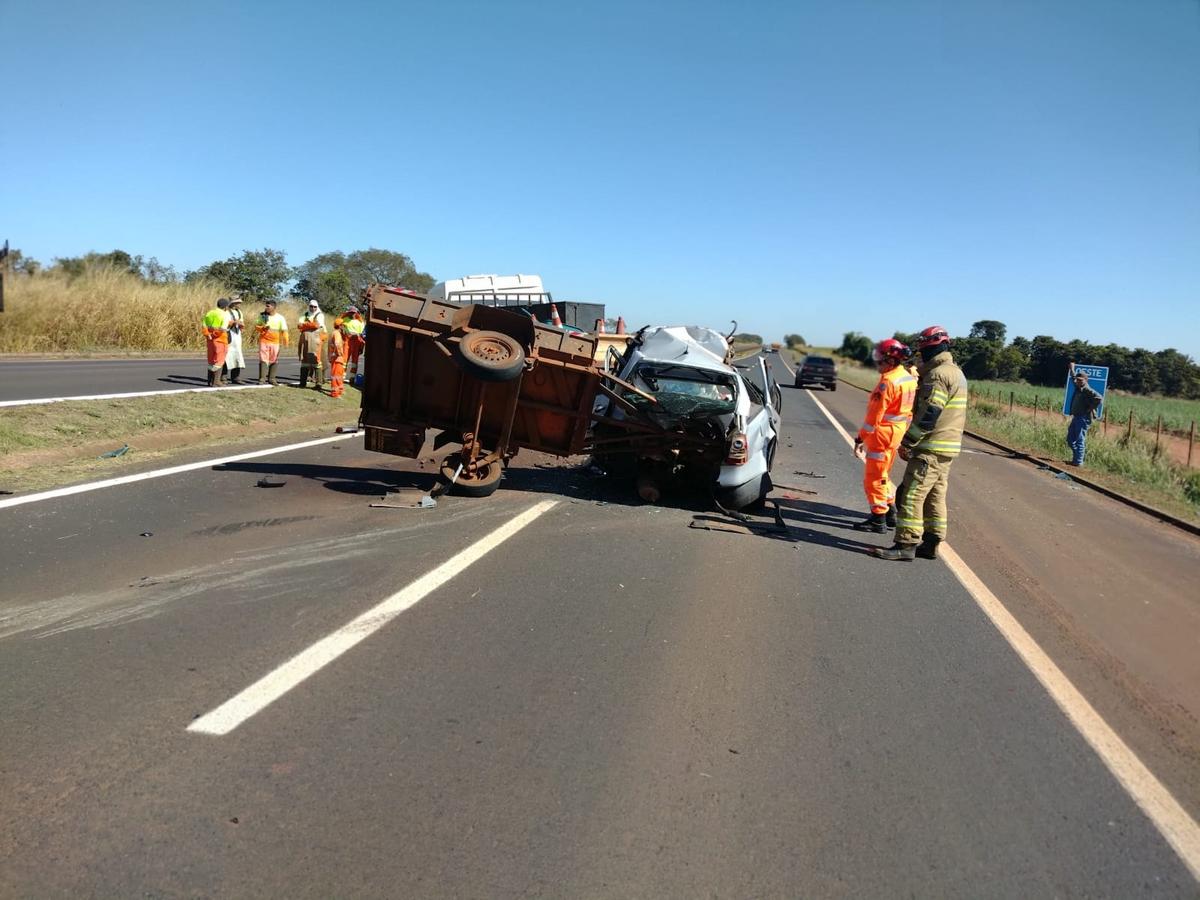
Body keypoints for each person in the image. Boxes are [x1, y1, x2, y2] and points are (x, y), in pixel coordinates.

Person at [875, 325, 968, 561]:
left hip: (931, 447)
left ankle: (905, 544)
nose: (920, 355)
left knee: (910, 494)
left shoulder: (937, 375)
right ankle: (932, 541)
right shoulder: (956, 372)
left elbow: (929, 414)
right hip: (946, 447)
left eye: (922, 350)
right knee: (935, 495)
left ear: (930, 348)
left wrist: (908, 441)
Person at [853, 339, 918, 533]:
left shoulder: (888, 382)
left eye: (879, 361)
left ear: (890, 361)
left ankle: (878, 518)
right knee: (883, 476)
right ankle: (890, 513)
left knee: (873, 478)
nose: (877, 365)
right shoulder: (907, 378)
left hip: (882, 435)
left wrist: (860, 438)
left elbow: (873, 417)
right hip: (895, 434)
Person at [1066, 366, 1103, 466]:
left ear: (1086, 380)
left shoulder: (1086, 389)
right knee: (1070, 439)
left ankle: (1078, 461)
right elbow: (1073, 377)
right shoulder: (1078, 387)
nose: (1078, 381)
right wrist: (1072, 368)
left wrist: (1090, 408)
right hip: (1076, 417)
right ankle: (1076, 458)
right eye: (1078, 380)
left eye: (1081, 380)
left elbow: (1099, 398)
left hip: (1083, 418)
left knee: (1080, 439)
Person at [255, 299, 289, 385]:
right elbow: (256, 326)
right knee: (263, 359)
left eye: (268, 306)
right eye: (266, 306)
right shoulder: (262, 316)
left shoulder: (280, 318)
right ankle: (262, 379)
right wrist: (262, 328)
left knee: (274, 359)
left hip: (275, 342)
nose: (266, 307)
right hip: (264, 341)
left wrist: (286, 341)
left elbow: (284, 330)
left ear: (274, 307)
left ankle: (272, 379)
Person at [297, 300, 326, 389]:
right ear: (308, 306)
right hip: (305, 340)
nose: (313, 308)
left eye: (315, 307)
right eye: (311, 306)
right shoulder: (304, 315)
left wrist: (305, 325)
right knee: (304, 361)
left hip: (317, 340)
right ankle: (302, 383)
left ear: (317, 307)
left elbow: (317, 325)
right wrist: (310, 325)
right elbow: (299, 326)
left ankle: (319, 384)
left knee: (317, 361)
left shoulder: (320, 315)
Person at [202, 298, 231, 387]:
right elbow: (222, 329)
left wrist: (208, 335)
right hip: (220, 339)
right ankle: (216, 381)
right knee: (219, 360)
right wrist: (214, 335)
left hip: (210, 340)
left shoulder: (210, 313)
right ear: (226, 307)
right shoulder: (225, 315)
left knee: (211, 360)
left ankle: (210, 381)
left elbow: (204, 325)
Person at [223, 296, 246, 383]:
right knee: (226, 355)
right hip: (229, 334)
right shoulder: (226, 312)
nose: (239, 304)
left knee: (237, 355)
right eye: (238, 302)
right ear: (233, 303)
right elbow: (224, 323)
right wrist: (233, 322)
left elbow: (242, 324)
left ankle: (236, 377)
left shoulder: (239, 312)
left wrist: (241, 324)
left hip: (237, 335)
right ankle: (223, 377)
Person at [343, 305, 366, 384]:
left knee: (354, 362)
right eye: (351, 312)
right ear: (348, 312)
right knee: (344, 360)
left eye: (353, 312)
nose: (352, 314)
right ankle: (342, 377)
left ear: (356, 313)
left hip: (356, 343)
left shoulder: (360, 322)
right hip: (346, 342)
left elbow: (362, 336)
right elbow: (341, 329)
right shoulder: (344, 319)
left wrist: (361, 348)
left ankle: (352, 378)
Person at [328, 317, 348, 398]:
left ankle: (340, 390)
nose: (344, 327)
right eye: (343, 325)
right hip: (337, 358)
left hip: (336, 358)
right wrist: (339, 353)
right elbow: (337, 344)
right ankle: (335, 393)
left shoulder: (336, 333)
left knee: (339, 375)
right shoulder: (337, 333)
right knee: (336, 376)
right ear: (339, 326)